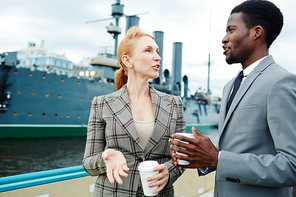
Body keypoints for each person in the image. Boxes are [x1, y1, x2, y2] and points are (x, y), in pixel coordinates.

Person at [169, 0, 296, 196]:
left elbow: (291, 166)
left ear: (256, 32)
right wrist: (202, 156)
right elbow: (234, 147)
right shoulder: (230, 86)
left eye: (231, 30)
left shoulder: (280, 82)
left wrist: (218, 159)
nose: (224, 38)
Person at [82, 26, 186, 197]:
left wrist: (169, 171)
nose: (157, 57)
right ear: (128, 61)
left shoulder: (174, 104)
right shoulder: (102, 104)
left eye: (157, 51)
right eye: (148, 50)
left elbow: (180, 157)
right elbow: (88, 163)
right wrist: (106, 157)